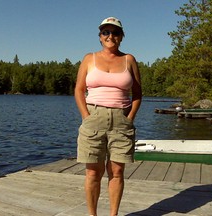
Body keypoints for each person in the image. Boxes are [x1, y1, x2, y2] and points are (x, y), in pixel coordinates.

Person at [74, 16, 142, 216]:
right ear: (100, 36)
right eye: (106, 32)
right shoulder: (89, 58)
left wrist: (129, 118)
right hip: (94, 117)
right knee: (93, 172)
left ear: (121, 36)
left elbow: (137, 94)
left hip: (121, 119)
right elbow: (79, 90)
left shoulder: (129, 59)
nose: (110, 36)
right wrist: (86, 116)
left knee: (117, 172)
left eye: (115, 32)